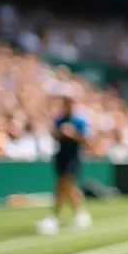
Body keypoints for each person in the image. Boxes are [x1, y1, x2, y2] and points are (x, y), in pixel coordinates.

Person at [36, 95, 92, 234]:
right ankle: (81, 214)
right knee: (66, 185)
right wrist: (60, 133)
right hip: (61, 155)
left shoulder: (79, 121)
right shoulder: (59, 120)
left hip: (73, 155)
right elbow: (54, 135)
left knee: (64, 184)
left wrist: (73, 134)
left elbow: (86, 140)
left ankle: (55, 215)